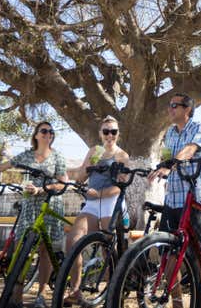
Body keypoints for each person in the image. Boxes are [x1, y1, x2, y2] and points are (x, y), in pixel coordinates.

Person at [0, 121, 68, 308]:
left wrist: (42, 189)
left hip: (49, 205)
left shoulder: (58, 157)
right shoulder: (27, 155)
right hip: (29, 207)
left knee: (46, 251)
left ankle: (41, 297)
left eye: (51, 132)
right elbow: (3, 166)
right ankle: (17, 297)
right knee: (21, 250)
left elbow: (63, 184)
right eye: (44, 131)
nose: (48, 134)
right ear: (36, 135)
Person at [61, 116, 129, 305]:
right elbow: (81, 177)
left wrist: (98, 194)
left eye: (113, 132)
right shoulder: (94, 150)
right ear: (100, 134)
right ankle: (76, 290)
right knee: (72, 241)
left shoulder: (122, 155)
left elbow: (121, 187)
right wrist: (91, 164)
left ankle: (113, 294)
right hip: (91, 203)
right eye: (106, 131)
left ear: (118, 134)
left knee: (108, 250)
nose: (109, 135)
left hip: (110, 203)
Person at [148, 92, 201, 254]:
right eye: (169, 105)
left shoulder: (199, 128)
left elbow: (190, 150)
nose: (170, 109)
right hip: (172, 199)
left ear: (187, 109)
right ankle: (169, 281)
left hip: (194, 197)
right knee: (167, 251)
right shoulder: (169, 132)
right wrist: (160, 168)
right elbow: (167, 157)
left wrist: (169, 164)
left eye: (174, 105)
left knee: (196, 252)